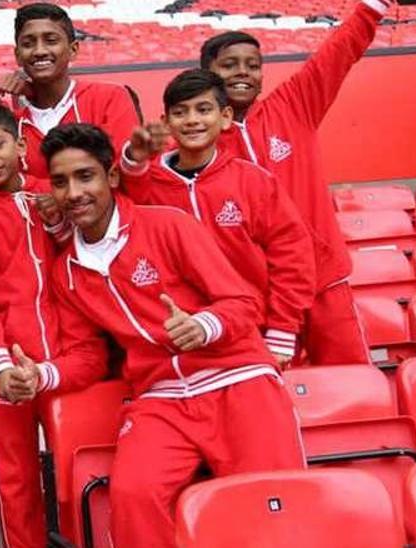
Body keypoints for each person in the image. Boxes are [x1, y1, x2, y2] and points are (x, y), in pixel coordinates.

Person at [35, 122, 305, 547]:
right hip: (160, 399)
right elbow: (88, 356)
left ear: (111, 176)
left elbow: (243, 303)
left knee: (271, 503)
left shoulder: (167, 225)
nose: (73, 193)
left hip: (237, 379)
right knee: (132, 496)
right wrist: (40, 376)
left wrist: (203, 325)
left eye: (84, 176)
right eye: (60, 182)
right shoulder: (66, 271)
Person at [201, 0, 391, 364]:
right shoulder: (196, 139)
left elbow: (337, 54)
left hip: (323, 282)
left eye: (253, 66)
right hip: (253, 294)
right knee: (273, 396)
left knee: (350, 384)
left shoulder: (292, 106)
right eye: (229, 65)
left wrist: (371, 8)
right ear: (207, 72)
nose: (243, 73)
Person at [0, 102, 107, 548]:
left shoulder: (57, 193)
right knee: (15, 481)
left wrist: (56, 219)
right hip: (4, 367)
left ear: (20, 145)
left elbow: (86, 253)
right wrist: (1, 368)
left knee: (79, 470)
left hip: (71, 358)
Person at [120, 69, 315, 365]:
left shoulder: (253, 181)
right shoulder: (151, 184)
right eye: (180, 112)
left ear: (225, 117)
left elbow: (292, 256)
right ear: (166, 123)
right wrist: (136, 158)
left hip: (254, 330)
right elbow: (128, 185)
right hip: (179, 333)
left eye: (203, 109)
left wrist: (282, 329)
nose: (192, 120)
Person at [0, 3, 140, 189]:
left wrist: (46, 192)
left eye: (51, 40)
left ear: (73, 49)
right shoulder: (11, 124)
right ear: (17, 55)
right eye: (28, 44)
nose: (39, 51)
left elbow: (122, 177)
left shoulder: (110, 98)